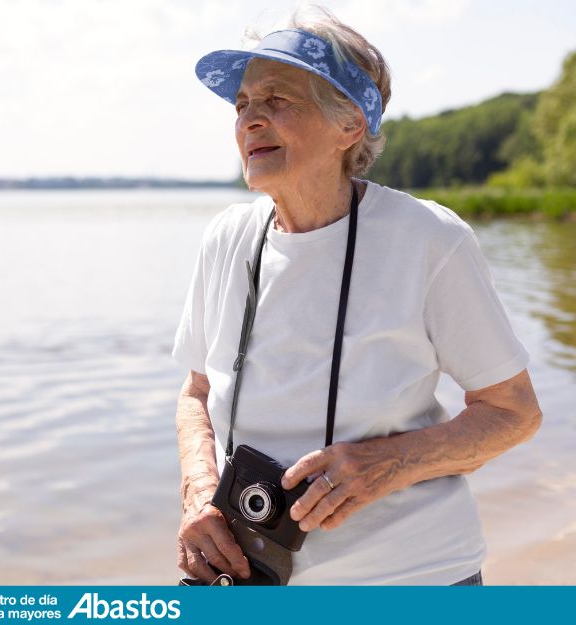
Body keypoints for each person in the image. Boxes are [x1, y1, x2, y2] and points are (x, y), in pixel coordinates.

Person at [171, 9, 542, 585]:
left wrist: (387, 465)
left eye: (277, 99)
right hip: (241, 579)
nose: (250, 119)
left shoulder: (429, 239)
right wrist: (198, 494)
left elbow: (513, 413)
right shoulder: (225, 239)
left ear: (349, 125)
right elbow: (196, 393)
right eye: (243, 104)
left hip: (412, 580)